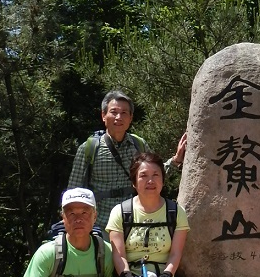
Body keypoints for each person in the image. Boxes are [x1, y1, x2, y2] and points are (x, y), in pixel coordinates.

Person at [68, 89, 187, 231]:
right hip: (99, 226)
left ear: (130, 118)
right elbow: (73, 191)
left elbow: (155, 176)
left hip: (134, 223)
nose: (119, 117)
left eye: (124, 113)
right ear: (103, 116)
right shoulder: (89, 148)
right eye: (113, 112)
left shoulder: (138, 145)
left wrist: (176, 160)